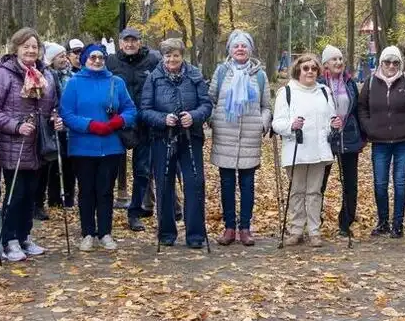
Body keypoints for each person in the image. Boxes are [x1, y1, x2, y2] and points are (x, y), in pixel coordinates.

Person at [0, 27, 63, 261]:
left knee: (32, 195)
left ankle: (24, 235)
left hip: (39, 144)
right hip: (14, 144)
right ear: (16, 48)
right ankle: (9, 240)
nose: (30, 50)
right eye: (26, 46)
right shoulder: (4, 73)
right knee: (15, 194)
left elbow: (54, 104)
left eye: (34, 46)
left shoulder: (46, 73)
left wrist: (55, 119)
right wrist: (14, 126)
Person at [61, 43, 137, 251]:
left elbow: (130, 110)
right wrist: (90, 125)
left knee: (105, 191)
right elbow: (66, 113)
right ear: (85, 59)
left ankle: (105, 232)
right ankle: (87, 233)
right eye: (92, 57)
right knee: (86, 191)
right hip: (82, 146)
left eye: (100, 58)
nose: (97, 61)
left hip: (111, 147)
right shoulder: (74, 83)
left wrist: (115, 123)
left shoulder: (116, 82)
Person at [139, 38, 212, 248]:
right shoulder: (154, 78)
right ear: (163, 57)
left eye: (176, 55)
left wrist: (194, 116)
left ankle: (196, 235)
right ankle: (166, 233)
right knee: (164, 183)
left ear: (182, 56)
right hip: (163, 137)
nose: (172, 59)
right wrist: (163, 119)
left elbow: (206, 104)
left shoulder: (195, 75)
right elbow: (145, 110)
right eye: (168, 55)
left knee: (194, 183)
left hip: (191, 137)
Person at [208, 29, 271, 246]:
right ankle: (229, 228)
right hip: (224, 135)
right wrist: (213, 119)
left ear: (250, 49)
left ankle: (245, 228)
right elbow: (211, 100)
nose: (240, 49)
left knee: (247, 184)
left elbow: (266, 106)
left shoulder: (259, 75)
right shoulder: (222, 72)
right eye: (236, 46)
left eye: (244, 46)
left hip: (250, 137)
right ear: (230, 49)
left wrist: (263, 124)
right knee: (226, 183)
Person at [358, 45, 405, 239]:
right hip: (379, 142)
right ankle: (382, 222)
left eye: (395, 62)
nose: (391, 65)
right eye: (387, 62)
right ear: (381, 63)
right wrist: (368, 127)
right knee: (380, 183)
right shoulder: (371, 82)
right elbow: (361, 108)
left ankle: (398, 223)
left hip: (404, 140)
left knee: (400, 182)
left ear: (400, 64)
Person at [272, 53, 336, 246]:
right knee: (297, 191)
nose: (310, 72)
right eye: (306, 68)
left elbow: (330, 118)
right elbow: (277, 123)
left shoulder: (324, 91)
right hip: (296, 149)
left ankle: (315, 231)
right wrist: (292, 125)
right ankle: (296, 230)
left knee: (315, 192)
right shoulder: (287, 92)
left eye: (314, 68)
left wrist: (335, 123)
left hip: (319, 149)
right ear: (298, 70)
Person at [107, 27, 162, 230]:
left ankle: (135, 211)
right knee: (110, 171)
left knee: (142, 171)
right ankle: (105, 212)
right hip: (117, 125)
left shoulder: (152, 61)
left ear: (140, 42)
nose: (130, 44)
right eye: (126, 41)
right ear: (120, 43)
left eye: (134, 40)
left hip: (144, 124)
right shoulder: (111, 62)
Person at [319, 45, 364, 240]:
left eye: (340, 59)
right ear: (325, 64)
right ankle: (313, 221)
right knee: (319, 182)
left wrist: (361, 135)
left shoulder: (350, 83)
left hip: (349, 137)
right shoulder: (319, 84)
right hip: (325, 139)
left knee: (350, 183)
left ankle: (345, 222)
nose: (338, 62)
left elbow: (356, 109)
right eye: (333, 59)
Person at [33, 42, 75, 220]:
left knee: (64, 163)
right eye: (60, 55)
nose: (64, 58)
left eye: (65, 54)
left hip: (63, 124)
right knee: (46, 165)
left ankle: (63, 198)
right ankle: (41, 200)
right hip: (43, 126)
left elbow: (61, 100)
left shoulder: (70, 76)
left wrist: (58, 114)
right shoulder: (46, 75)